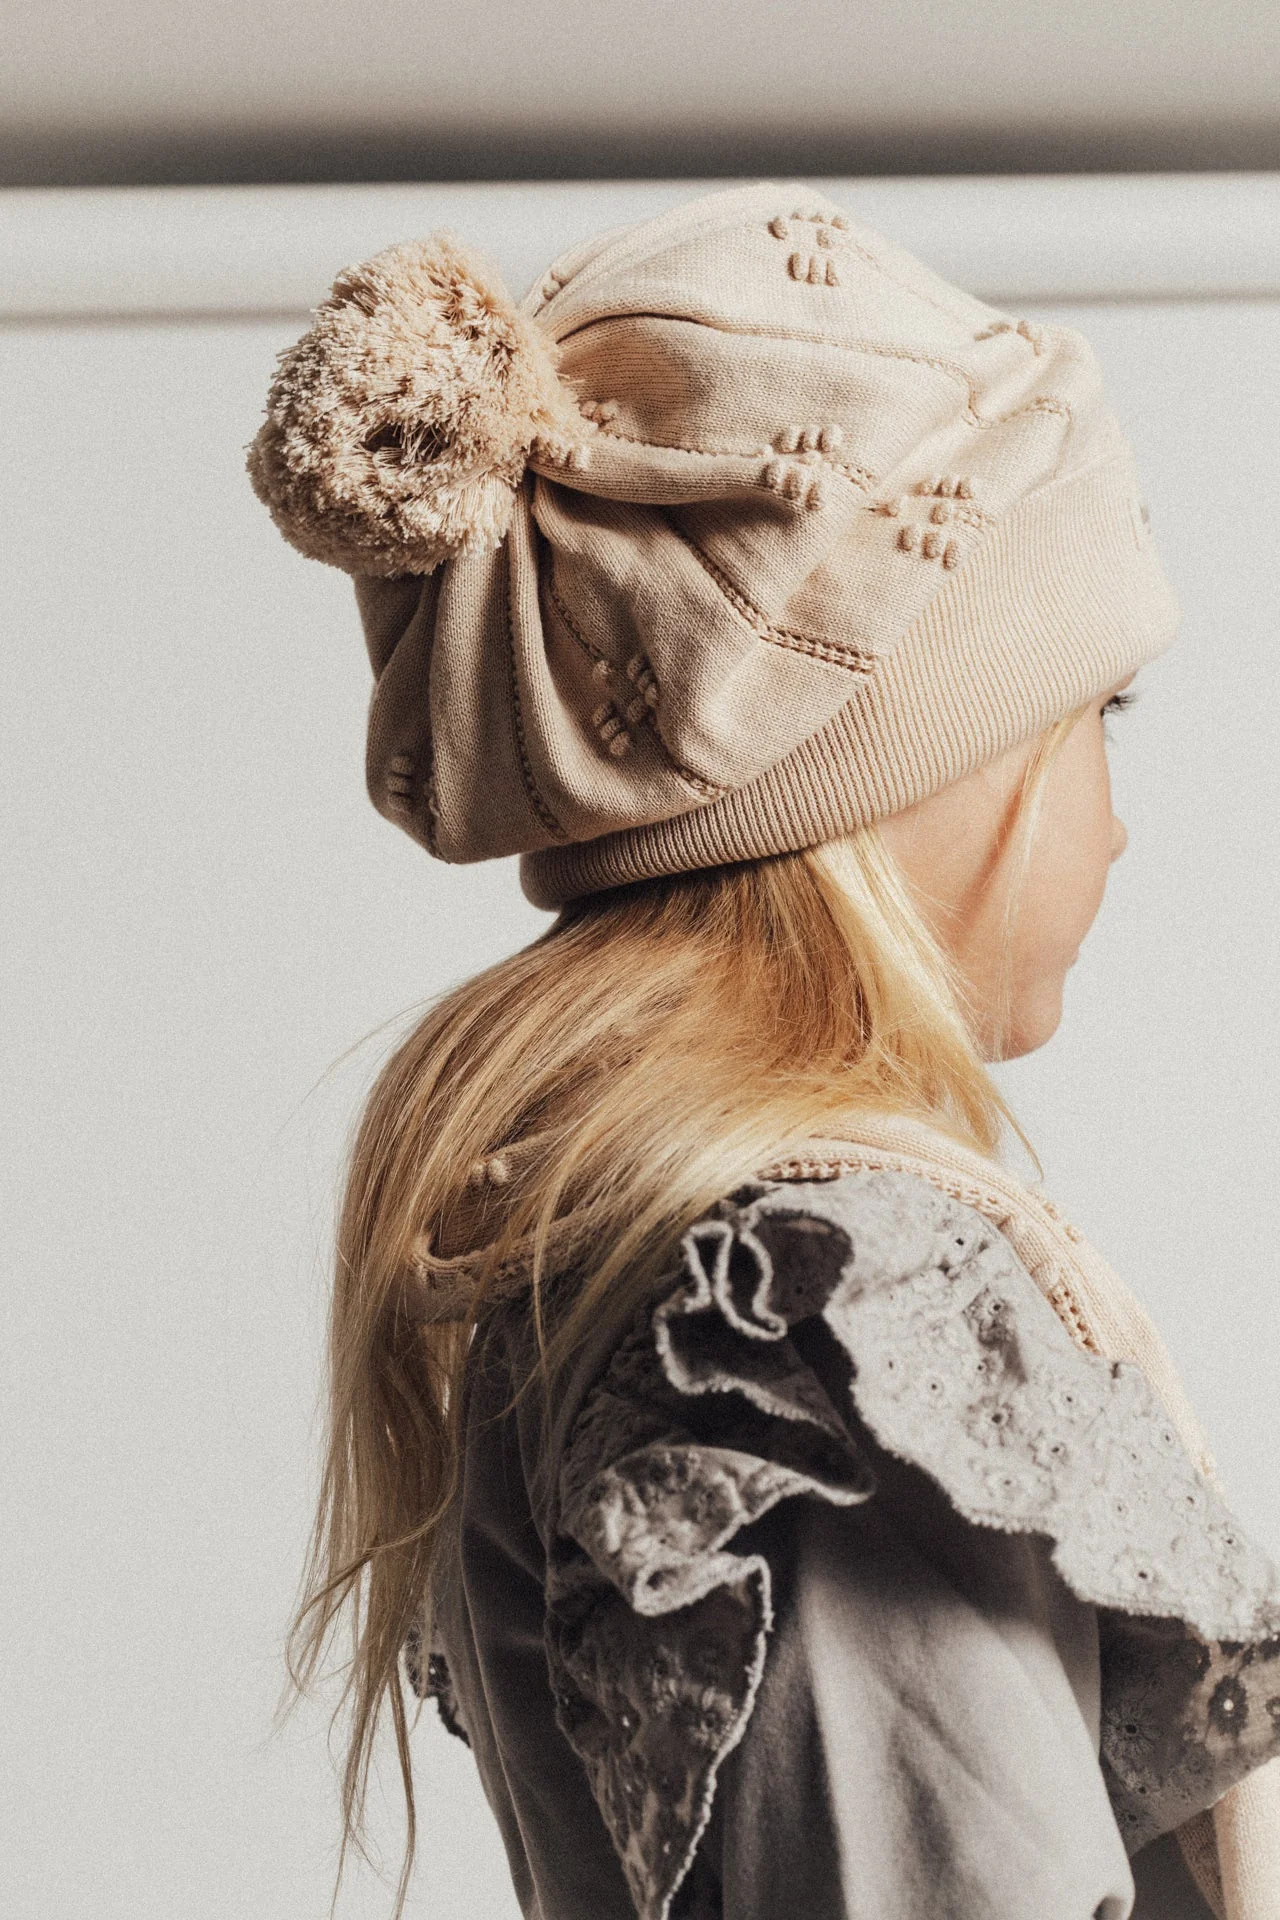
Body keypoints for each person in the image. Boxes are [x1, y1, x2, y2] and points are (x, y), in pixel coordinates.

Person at [248, 184, 1280, 1919]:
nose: (1115, 826)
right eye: (1099, 710)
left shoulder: (651, 1263)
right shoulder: (805, 1324)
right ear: (925, 768)